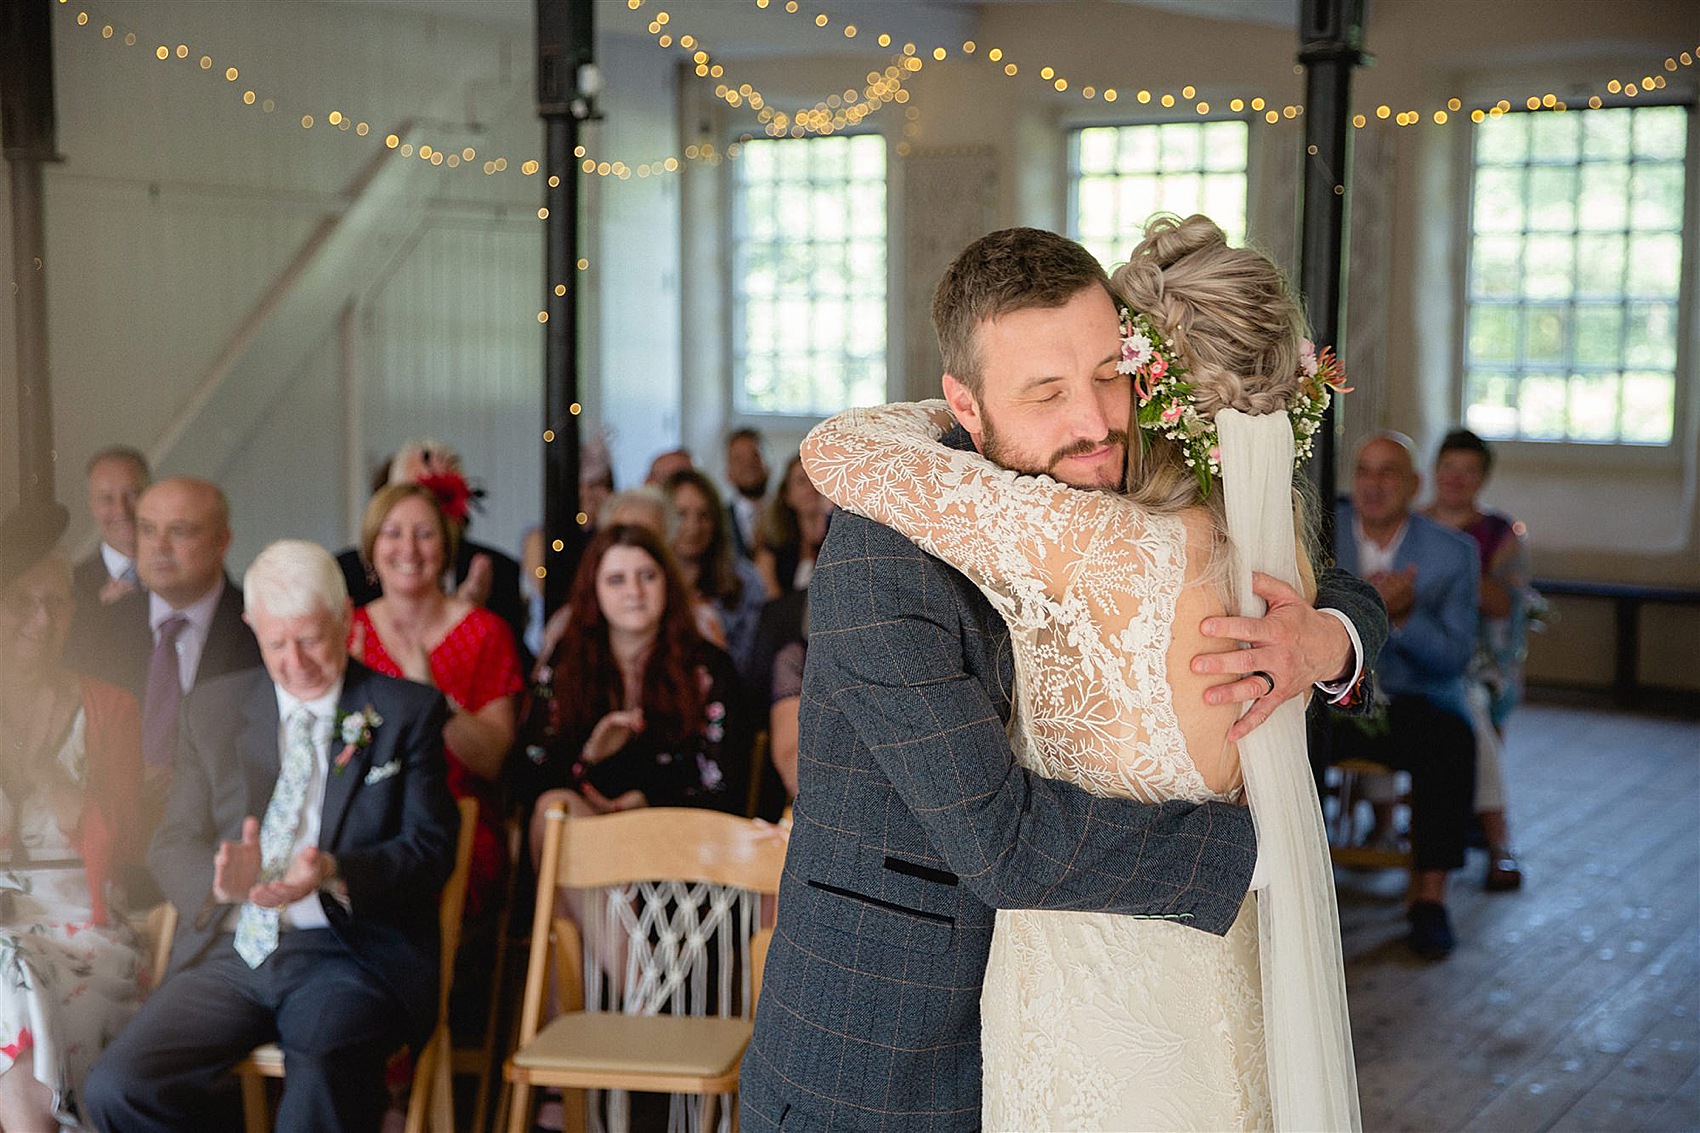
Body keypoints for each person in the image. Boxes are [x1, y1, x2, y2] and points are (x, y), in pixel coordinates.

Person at [743, 223, 1386, 1132]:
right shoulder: (880, 552)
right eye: (1045, 393)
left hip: (1093, 1021)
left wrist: (1328, 638)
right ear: (963, 406)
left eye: (1108, 375)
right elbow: (1002, 843)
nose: (1092, 423)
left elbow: (1316, 567)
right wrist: (1256, 851)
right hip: (883, 1046)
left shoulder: (1129, 481)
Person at [84, 539, 459, 1133]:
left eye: (310, 639)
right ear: (250, 625)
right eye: (275, 642)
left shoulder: (404, 711)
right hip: (230, 952)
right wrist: (217, 884)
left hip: (349, 953)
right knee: (117, 1087)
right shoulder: (213, 708)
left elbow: (431, 850)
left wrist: (335, 870)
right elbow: (172, 841)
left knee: (322, 1079)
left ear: (344, 621)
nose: (295, 662)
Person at [0, 503, 148, 1131]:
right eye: (23, 601)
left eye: (57, 602)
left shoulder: (109, 706)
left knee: (8, 977)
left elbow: (123, 848)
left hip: (85, 926)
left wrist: (40, 771)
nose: (42, 617)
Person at [1322, 432, 1479, 960]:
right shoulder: (1320, 531)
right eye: (1365, 470)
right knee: (1282, 736)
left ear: (1413, 484)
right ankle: (1292, 889)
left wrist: (1403, 617)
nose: (1374, 483)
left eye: (1390, 472)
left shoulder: (1452, 553)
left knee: (1453, 739)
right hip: (1327, 695)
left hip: (1409, 701)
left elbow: (1456, 657)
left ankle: (1430, 900)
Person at [520, 524, 751, 856]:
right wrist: (590, 756)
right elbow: (529, 774)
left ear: (667, 584)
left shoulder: (708, 666)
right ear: (594, 590)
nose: (634, 592)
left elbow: (726, 786)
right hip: (589, 832)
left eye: (647, 576)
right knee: (553, 809)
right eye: (617, 580)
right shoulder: (567, 662)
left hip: (678, 839)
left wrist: (646, 803)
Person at [348, 483, 521, 921]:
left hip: (452, 824)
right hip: (361, 820)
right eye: (392, 533)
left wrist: (433, 700)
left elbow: (492, 761)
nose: (409, 548)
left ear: (445, 548)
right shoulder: (349, 631)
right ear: (371, 548)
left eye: (424, 534)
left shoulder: (485, 633)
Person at [65, 478, 263, 840]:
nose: (159, 547)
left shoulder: (261, 632)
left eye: (179, 531)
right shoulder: (98, 630)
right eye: (148, 530)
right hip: (115, 842)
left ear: (222, 541)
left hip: (220, 841)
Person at [1423, 427, 1532, 890]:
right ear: (1435, 471)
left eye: (1468, 472)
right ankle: (1386, 826)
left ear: (1482, 478)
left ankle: (1497, 840)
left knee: (1471, 714)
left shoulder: (1498, 534)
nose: (1456, 479)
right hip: (1411, 647)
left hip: (1469, 656)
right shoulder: (1413, 524)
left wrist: (1456, 564)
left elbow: (1506, 603)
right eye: (1449, 468)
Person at [335, 439, 527, 653]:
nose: (409, 548)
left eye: (440, 498)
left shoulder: (499, 570)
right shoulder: (344, 574)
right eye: (410, 493)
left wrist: (468, 621)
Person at [664, 468, 767, 678]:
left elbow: (751, 667)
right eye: (681, 514)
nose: (693, 527)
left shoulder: (745, 580)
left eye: (704, 515)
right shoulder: (645, 577)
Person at [70, 446, 150, 614]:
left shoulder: (186, 573)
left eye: (132, 495)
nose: (121, 510)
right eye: (106, 499)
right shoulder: (71, 587)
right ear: (92, 506)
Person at [751, 455, 830, 598]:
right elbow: (771, 600)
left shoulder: (845, 540)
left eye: (816, 478)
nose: (811, 487)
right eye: (801, 481)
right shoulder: (771, 548)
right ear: (787, 495)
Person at [724, 427, 769, 560]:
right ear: (727, 473)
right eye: (738, 459)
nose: (748, 464)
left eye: (755, 455)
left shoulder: (789, 515)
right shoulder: (718, 520)